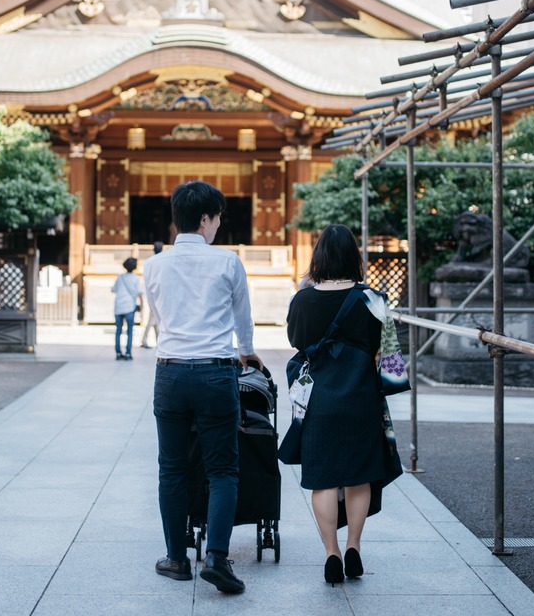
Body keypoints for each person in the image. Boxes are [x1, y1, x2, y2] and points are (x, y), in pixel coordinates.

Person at [144, 180, 262, 594]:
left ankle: (176, 559)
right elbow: (242, 317)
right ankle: (216, 558)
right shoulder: (228, 261)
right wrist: (246, 352)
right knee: (223, 469)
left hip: (171, 372)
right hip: (216, 372)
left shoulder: (153, 265)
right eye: (218, 218)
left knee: (172, 468)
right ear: (206, 219)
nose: (218, 225)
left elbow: (159, 316)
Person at [282, 223, 403, 584]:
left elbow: (295, 340)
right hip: (361, 399)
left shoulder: (302, 299)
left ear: (318, 257)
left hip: (318, 402)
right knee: (358, 477)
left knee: (323, 480)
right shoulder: (374, 299)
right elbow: (391, 357)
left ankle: (331, 553)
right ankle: (353, 546)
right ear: (354, 257)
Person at [111, 257, 143, 360]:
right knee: (129, 331)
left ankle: (118, 353)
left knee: (118, 331)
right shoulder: (136, 278)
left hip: (118, 307)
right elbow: (140, 293)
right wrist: (142, 306)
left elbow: (114, 289)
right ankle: (128, 353)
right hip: (129, 307)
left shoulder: (120, 277)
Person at [138, 241, 164, 348]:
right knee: (154, 317)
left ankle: (157, 340)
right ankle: (145, 339)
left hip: (150, 290)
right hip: (160, 291)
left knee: (155, 316)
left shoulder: (150, 262)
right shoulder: (163, 261)